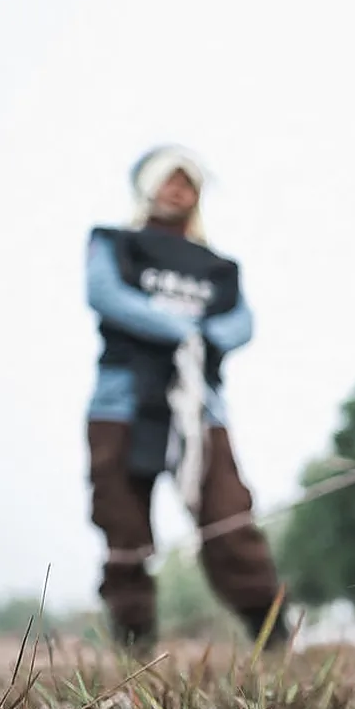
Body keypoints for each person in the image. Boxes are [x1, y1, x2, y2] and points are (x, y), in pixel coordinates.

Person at [83, 145, 290, 653]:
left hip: (201, 409)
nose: (177, 189)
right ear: (147, 186)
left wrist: (204, 338)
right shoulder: (113, 243)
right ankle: (133, 641)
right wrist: (180, 328)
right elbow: (105, 295)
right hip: (122, 404)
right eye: (168, 180)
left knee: (228, 514)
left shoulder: (218, 266)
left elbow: (241, 323)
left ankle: (272, 635)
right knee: (122, 521)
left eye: (188, 182)